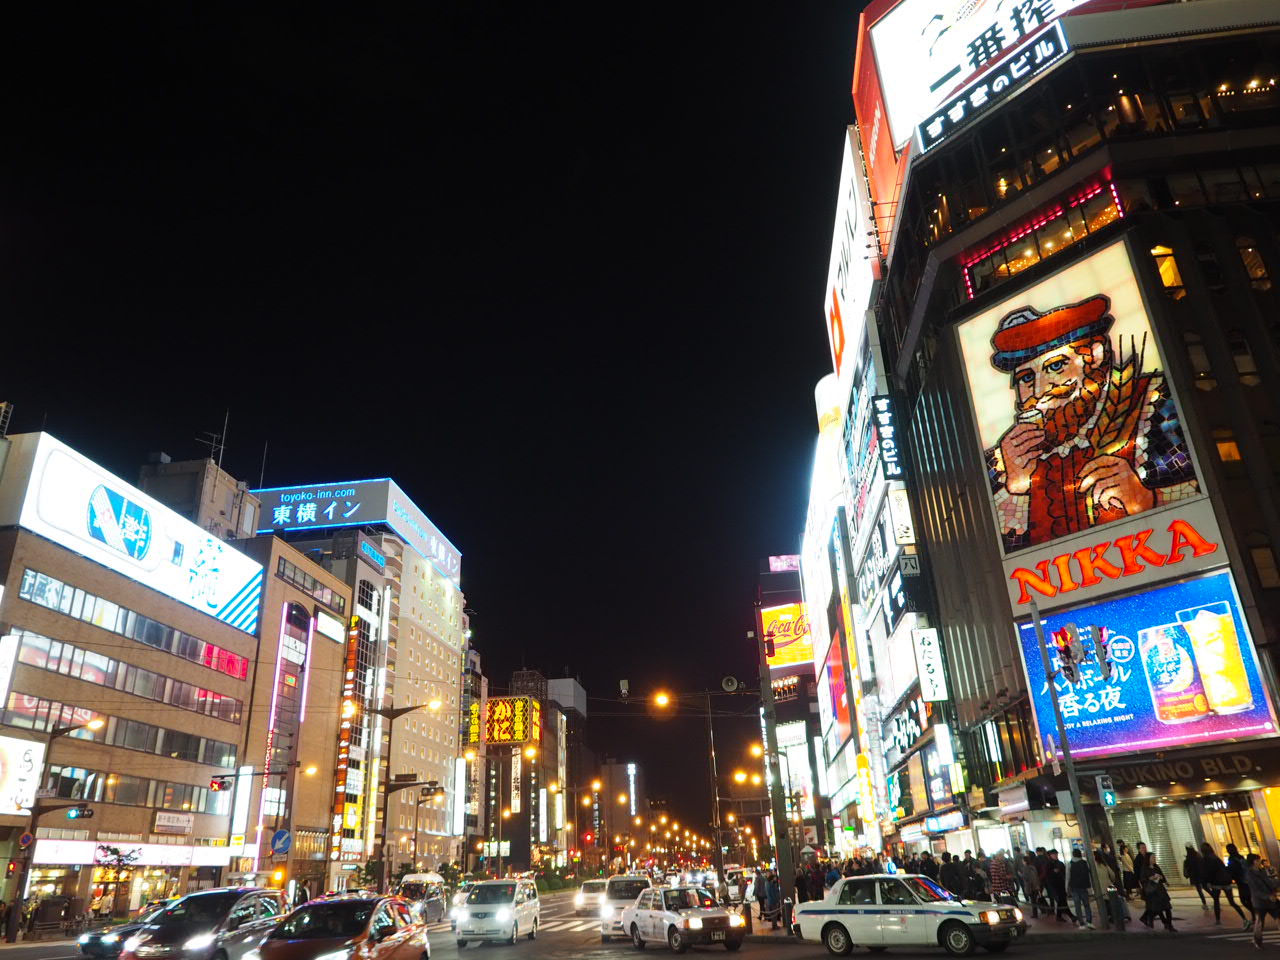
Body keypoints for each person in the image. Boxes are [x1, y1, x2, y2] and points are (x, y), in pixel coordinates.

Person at [981, 294, 1197, 552]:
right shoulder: (1001, 459)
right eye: (1026, 379)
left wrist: (1148, 497)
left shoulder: (1155, 402)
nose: (1040, 390)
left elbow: (1212, 488)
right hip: (1054, 583)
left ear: (1093, 355)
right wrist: (1015, 490)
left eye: (1057, 366)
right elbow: (986, 558)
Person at [1202, 843, 1248, 927]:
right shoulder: (1216, 857)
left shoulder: (1206, 859)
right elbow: (1223, 868)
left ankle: (1218, 920)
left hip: (1216, 882)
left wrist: (1208, 882)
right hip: (1225, 881)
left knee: (1216, 901)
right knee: (1232, 902)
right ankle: (1244, 918)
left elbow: (1208, 872)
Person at [1246, 854, 1279, 948]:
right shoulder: (1249, 874)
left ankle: (1257, 940)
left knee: (1278, 918)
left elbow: (1269, 882)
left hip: (1271, 900)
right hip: (1260, 902)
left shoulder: (1262, 871)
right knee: (1260, 922)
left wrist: (1276, 884)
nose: (1260, 862)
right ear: (1253, 861)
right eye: (1257, 860)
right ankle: (1257, 940)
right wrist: (1267, 896)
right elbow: (1255, 890)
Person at [1139, 860, 1175, 931]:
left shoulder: (1156, 867)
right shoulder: (1144, 869)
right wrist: (1150, 878)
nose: (1154, 859)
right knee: (1158, 909)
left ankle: (1169, 925)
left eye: (1154, 857)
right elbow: (1142, 880)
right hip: (1153, 892)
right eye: (1152, 857)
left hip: (1161, 890)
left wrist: (1162, 878)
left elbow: (1162, 876)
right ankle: (1165, 923)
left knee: (1167, 908)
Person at [1229, 844, 1256, 927]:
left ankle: (1255, 914)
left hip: (1241, 881)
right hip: (1245, 880)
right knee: (1248, 899)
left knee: (1244, 899)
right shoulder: (1240, 857)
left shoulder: (1233, 859)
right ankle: (1255, 914)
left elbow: (1233, 870)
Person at [1067, 849, 1094, 929]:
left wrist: (1067, 888)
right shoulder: (1085, 863)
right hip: (1084, 887)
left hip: (1074, 887)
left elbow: (1067, 877)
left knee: (1077, 906)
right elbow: (1089, 875)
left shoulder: (1070, 864)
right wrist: (1091, 887)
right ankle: (1089, 922)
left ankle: (1081, 923)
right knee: (1086, 905)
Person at [1044, 850, 1072, 922]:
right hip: (1054, 884)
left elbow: (1064, 871)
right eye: (1054, 854)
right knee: (1061, 899)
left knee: (1061, 900)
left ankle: (1061, 916)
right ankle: (1070, 916)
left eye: (1056, 854)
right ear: (1050, 855)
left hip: (1061, 883)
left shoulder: (1060, 863)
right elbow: (1047, 875)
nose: (1055, 855)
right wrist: (1054, 872)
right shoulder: (1048, 864)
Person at [1182, 844, 1208, 909]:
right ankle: (1214, 898)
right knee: (1205, 887)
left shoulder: (1188, 858)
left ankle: (1204, 903)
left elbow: (1187, 868)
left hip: (1194, 876)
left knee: (1199, 890)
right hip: (1201, 875)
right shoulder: (1197, 855)